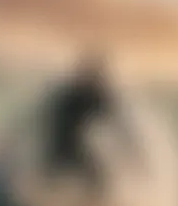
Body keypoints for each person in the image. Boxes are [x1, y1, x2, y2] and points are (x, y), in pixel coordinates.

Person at [42, 47, 142, 196]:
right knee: (68, 169)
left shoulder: (85, 92)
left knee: (88, 172)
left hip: (74, 143)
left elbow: (111, 114)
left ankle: (84, 197)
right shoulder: (76, 94)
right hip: (69, 143)